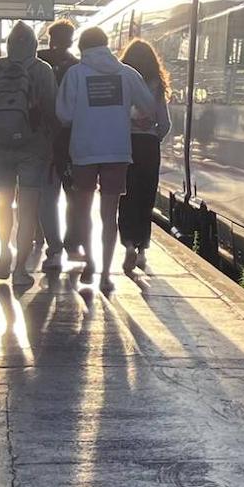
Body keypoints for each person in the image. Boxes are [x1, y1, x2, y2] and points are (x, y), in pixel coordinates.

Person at [56, 26, 157, 291]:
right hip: (117, 151)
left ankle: (90, 261)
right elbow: (149, 106)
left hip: (84, 152)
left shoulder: (75, 74)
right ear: (107, 45)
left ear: (83, 48)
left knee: (83, 211)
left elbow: (64, 115)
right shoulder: (127, 74)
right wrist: (130, 114)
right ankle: (105, 276)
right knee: (109, 215)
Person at [0, 21, 57, 288]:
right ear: (34, 46)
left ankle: (3, 249)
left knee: (3, 202)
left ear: (9, 45)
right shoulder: (42, 71)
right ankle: (21, 268)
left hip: (2, 149)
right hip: (34, 149)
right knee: (28, 207)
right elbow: (52, 111)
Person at [118, 39, 171, 274]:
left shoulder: (121, 80)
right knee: (146, 197)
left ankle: (128, 243)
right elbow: (165, 124)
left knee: (126, 196)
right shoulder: (157, 85)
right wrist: (152, 135)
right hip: (149, 147)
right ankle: (142, 251)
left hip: (125, 145)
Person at [36, 19, 80, 270]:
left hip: (42, 140)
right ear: (72, 40)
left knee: (47, 197)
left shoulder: (38, 62)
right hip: (71, 142)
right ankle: (70, 242)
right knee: (73, 196)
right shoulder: (77, 68)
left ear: (50, 39)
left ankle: (52, 246)